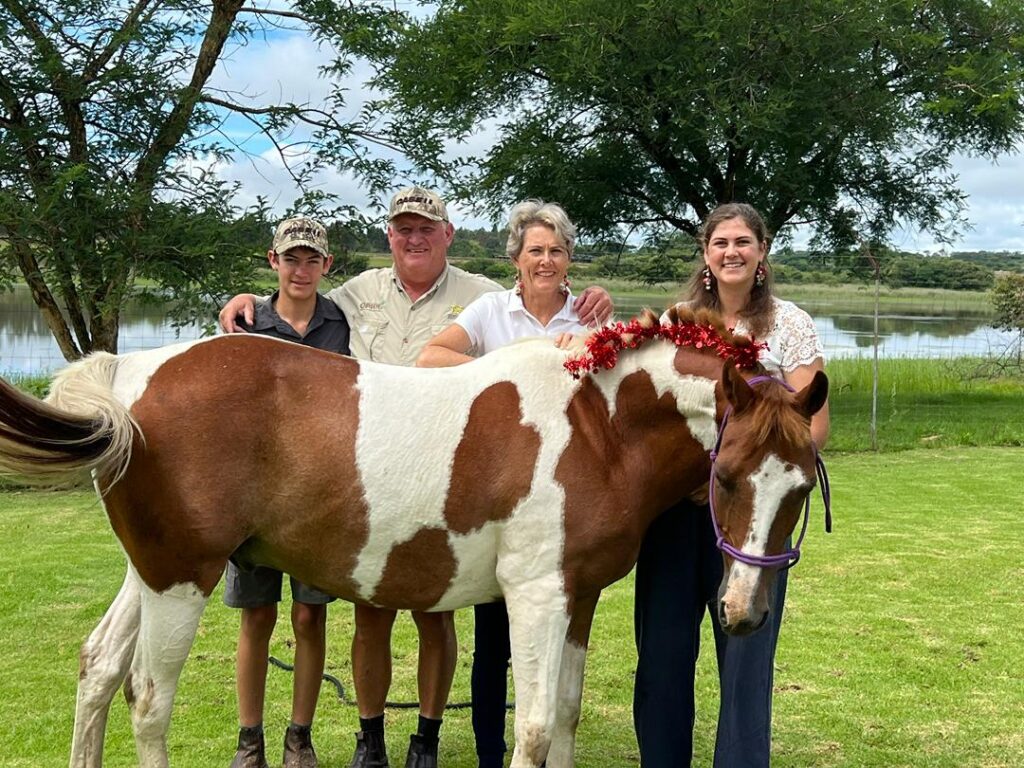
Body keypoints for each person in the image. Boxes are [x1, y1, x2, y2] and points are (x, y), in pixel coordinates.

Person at [219, 187, 613, 768]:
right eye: (404, 228)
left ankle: (426, 741)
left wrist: (591, 306)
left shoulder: (479, 294)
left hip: (453, 475)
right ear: (390, 235)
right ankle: (369, 738)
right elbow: (298, 294)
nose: (415, 237)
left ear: (448, 234)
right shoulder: (358, 295)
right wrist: (245, 299)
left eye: (427, 227)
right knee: (370, 610)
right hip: (370, 470)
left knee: (438, 614)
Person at [632, 202, 830, 768]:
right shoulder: (678, 322)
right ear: (706, 253)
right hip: (679, 510)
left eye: (743, 242)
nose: (732, 252)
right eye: (721, 243)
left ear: (762, 252)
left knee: (745, 660)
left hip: (753, 515)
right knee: (664, 655)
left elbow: (813, 420)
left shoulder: (789, 324)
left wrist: (769, 469)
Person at [417, 199, 591, 768]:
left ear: (569, 259)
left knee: (554, 639)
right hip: (498, 494)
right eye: (535, 250)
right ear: (515, 257)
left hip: (564, 502)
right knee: (493, 642)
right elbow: (430, 357)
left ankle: (548, 742)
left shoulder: (591, 319)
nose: (545, 261)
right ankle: (492, 752)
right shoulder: (491, 311)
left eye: (556, 251)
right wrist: (516, 362)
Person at [226, 216, 351, 768]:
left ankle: (299, 737)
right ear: (273, 261)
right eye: (291, 258)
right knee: (256, 617)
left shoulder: (342, 323)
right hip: (254, 496)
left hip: (319, 496)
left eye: (312, 260)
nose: (302, 270)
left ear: (327, 265)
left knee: (309, 617)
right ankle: (248, 740)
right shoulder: (247, 322)